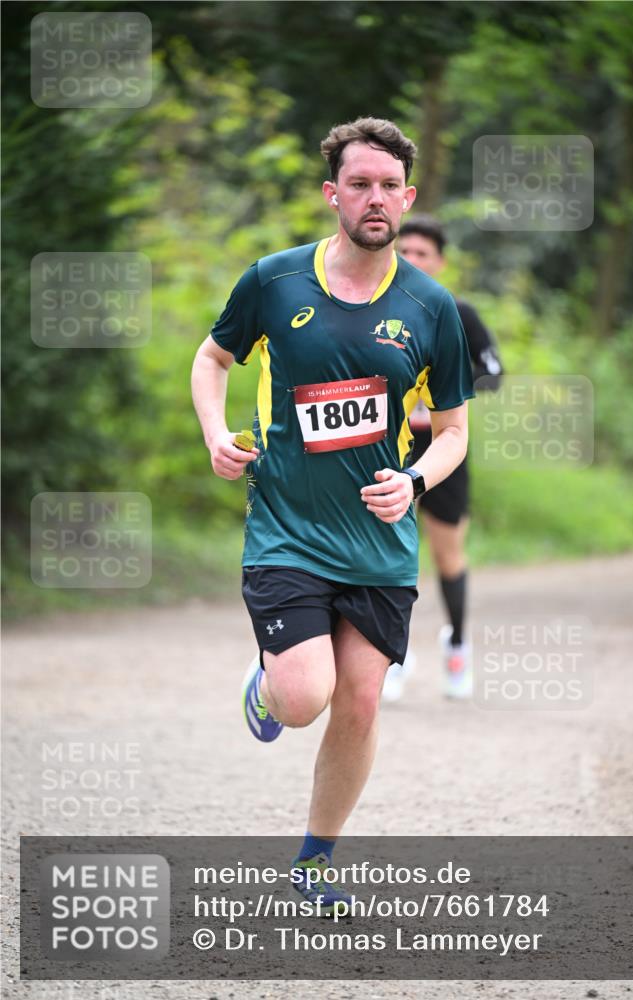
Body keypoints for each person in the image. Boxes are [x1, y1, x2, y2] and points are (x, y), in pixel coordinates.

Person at [191, 119, 474, 914]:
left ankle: (314, 861)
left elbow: (452, 431)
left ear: (407, 196)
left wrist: (414, 480)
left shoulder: (431, 307)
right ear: (332, 194)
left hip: (378, 539)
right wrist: (216, 435)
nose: (375, 198)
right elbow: (213, 359)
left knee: (360, 700)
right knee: (303, 698)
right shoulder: (275, 281)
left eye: (389, 186)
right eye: (360, 184)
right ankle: (270, 683)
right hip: (285, 526)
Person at [382, 215, 502, 702]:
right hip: (387, 449)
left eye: (421, 254)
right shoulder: (376, 308)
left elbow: (493, 373)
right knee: (391, 552)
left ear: (440, 262)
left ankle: (456, 643)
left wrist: (438, 405)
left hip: (444, 450)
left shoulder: (457, 311)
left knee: (446, 553)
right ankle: (392, 652)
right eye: (403, 251)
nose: (411, 261)